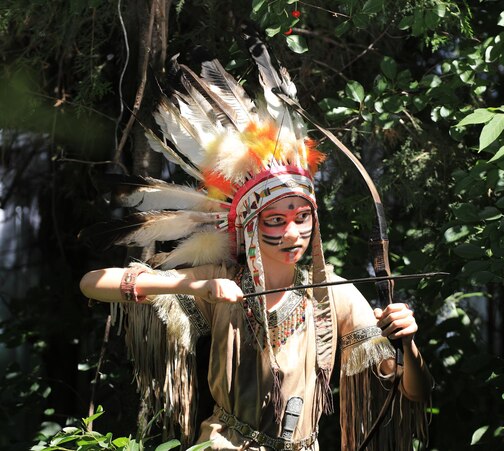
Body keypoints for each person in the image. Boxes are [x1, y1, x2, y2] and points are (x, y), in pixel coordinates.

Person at [79, 28, 432, 450]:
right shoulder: (222, 280)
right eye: (276, 220)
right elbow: (92, 283)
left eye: (303, 218)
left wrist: (407, 342)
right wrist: (191, 284)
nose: (292, 233)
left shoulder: (334, 295)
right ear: (248, 226)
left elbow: (413, 390)